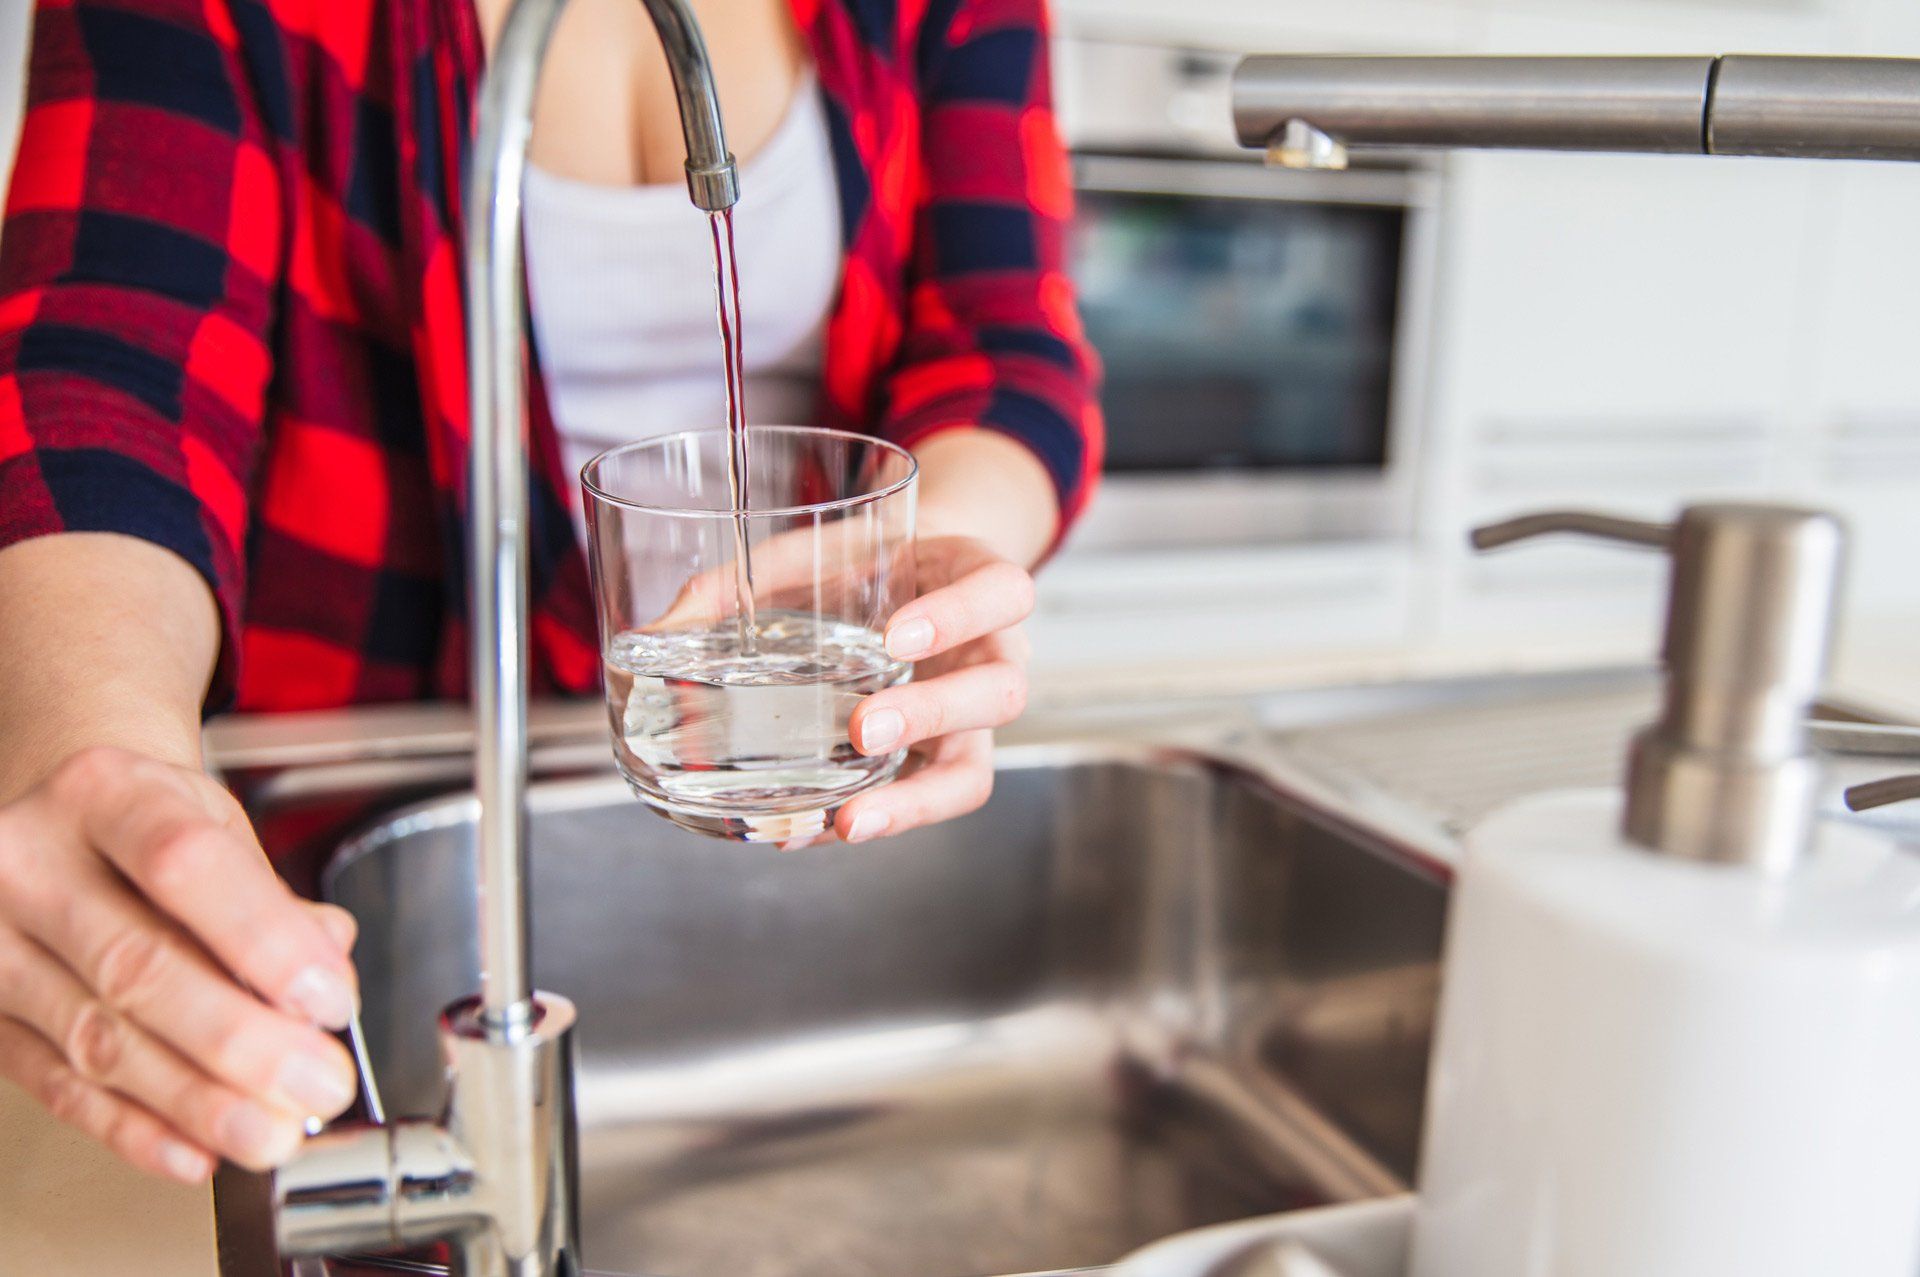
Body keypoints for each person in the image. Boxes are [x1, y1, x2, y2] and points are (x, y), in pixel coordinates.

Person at [0, 0, 1101, 1185]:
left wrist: (925, 566)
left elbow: (1007, 347)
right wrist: (98, 738)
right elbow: (111, 367)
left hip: (819, 740)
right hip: (362, 797)